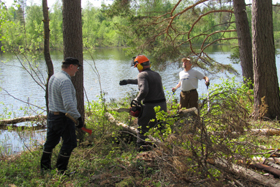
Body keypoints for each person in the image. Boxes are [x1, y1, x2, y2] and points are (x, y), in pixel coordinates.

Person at [40, 57, 84, 174]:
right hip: (63, 118)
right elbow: (68, 104)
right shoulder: (65, 81)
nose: (77, 70)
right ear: (71, 66)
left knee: (50, 142)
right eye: (77, 67)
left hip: (52, 116)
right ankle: (61, 170)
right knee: (70, 143)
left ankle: (44, 168)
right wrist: (78, 118)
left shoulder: (53, 77)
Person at [119, 55, 167, 151]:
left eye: (137, 67)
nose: (137, 69)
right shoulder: (156, 74)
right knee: (161, 127)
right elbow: (144, 81)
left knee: (142, 128)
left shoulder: (142, 75)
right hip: (162, 105)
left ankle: (141, 150)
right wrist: (128, 81)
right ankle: (164, 148)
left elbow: (144, 90)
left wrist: (137, 99)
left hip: (150, 106)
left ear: (140, 66)